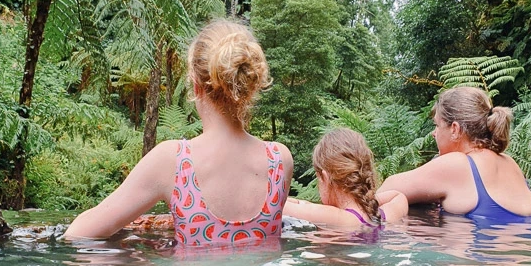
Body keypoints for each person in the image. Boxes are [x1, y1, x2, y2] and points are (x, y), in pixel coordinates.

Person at [64, 19, 293, 244]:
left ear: (194, 84)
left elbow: (79, 233)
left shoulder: (175, 161)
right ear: (251, 85)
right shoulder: (279, 160)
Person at [377, 86, 531, 220]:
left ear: (455, 129)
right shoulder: (510, 163)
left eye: (437, 126)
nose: (434, 133)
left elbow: (385, 192)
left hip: (480, 255)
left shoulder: (458, 164)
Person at [284, 128, 407, 229]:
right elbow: (397, 195)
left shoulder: (335, 217)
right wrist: (367, 200)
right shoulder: (387, 215)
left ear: (325, 178)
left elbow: (279, 205)